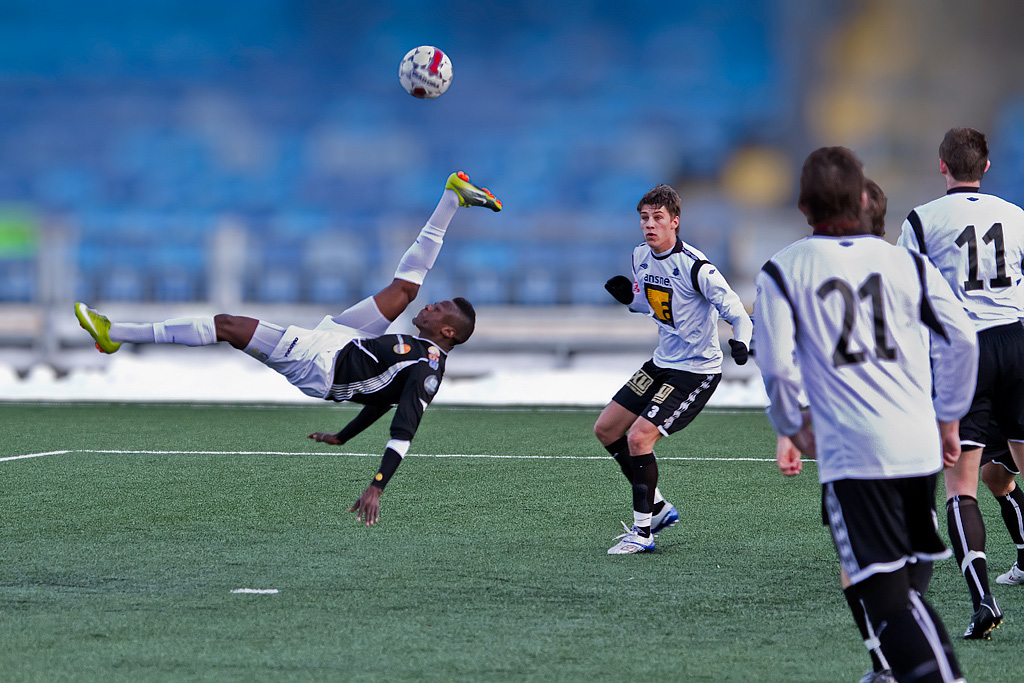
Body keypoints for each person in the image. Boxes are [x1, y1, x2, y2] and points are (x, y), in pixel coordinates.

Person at [74, 171, 501, 526]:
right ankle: (451, 197)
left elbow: (403, 429)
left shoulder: (427, 371)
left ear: (447, 332)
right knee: (405, 288)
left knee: (227, 325)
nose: (432, 306)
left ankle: (116, 334)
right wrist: (344, 435)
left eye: (439, 309)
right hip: (347, 342)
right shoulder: (417, 349)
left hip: (323, 365)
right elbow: (383, 400)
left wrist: (376, 484)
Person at [758, 146, 975, 682]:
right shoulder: (906, 262)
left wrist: (791, 426)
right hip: (919, 445)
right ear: (861, 198)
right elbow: (963, 339)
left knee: (886, 601)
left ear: (803, 206)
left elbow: (778, 369)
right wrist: (948, 418)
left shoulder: (784, 269)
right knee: (905, 591)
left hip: (856, 455)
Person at [897, 126, 1024, 638]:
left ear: (942, 166)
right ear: (986, 167)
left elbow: (906, 296)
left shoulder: (922, 220)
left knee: (961, 486)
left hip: (962, 352)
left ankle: (983, 602)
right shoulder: (1016, 216)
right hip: (1017, 340)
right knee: (1008, 466)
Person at [597, 183, 752, 554]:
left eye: (658, 218)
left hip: (694, 371)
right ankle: (659, 507)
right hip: (661, 361)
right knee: (607, 429)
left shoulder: (697, 267)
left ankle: (643, 532)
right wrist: (630, 300)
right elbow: (650, 303)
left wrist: (741, 342)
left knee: (638, 438)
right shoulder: (640, 256)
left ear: (675, 222)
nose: (649, 225)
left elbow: (737, 311)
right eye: (644, 218)